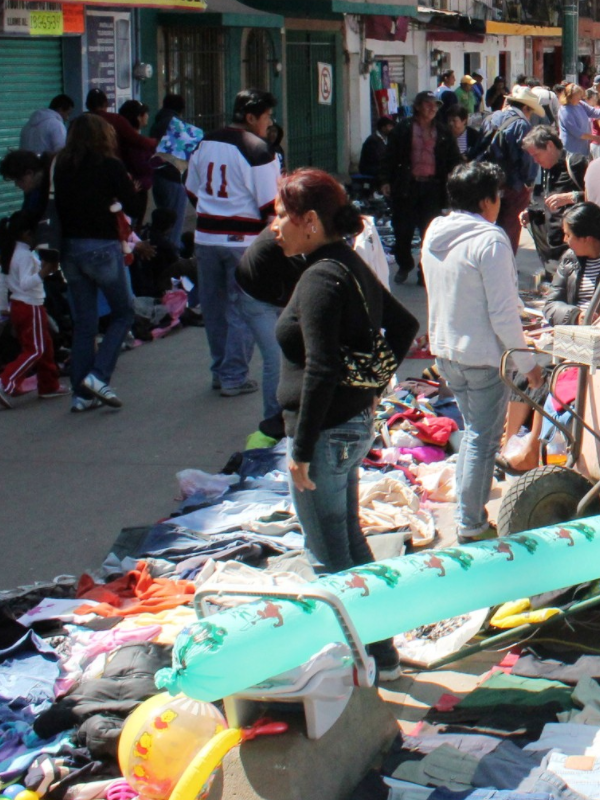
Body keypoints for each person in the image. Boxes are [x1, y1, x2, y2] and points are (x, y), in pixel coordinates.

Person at [273, 168, 416, 680]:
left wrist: (302, 447)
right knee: (349, 540)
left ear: (310, 222)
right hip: (350, 425)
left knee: (328, 555)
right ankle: (382, 653)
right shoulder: (347, 263)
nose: (275, 226)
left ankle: (358, 666)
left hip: (329, 432)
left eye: (282, 215)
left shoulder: (320, 276)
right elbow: (404, 326)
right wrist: (371, 383)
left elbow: (322, 365)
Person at [423, 161, 541, 541]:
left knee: (474, 434)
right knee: (481, 439)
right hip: (481, 358)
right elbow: (503, 314)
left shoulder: (435, 231)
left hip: (446, 351)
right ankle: (472, 524)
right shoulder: (489, 240)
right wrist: (528, 363)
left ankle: (466, 510)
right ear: (488, 200)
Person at [187, 89, 284, 412]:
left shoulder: (205, 143)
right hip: (243, 243)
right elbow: (270, 206)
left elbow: (192, 188)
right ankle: (232, 376)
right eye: (267, 117)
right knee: (242, 309)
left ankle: (221, 371)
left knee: (213, 308)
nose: (269, 124)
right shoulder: (259, 151)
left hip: (206, 239)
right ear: (251, 116)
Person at [53, 115, 136, 413]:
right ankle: (97, 376)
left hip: (69, 249)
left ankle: (81, 395)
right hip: (101, 246)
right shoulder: (110, 164)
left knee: (84, 324)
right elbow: (134, 204)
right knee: (124, 313)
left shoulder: (61, 165)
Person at [378, 91, 463, 284]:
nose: (432, 108)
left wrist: (458, 180)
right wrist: (385, 181)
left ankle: (424, 270)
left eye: (435, 105)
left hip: (433, 189)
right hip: (407, 187)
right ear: (417, 106)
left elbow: (454, 159)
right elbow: (388, 157)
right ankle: (404, 263)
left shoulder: (442, 131)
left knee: (430, 231)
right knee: (402, 230)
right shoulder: (403, 129)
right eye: (427, 104)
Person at [0, 212, 62, 407]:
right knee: (35, 350)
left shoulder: (10, 253)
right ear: (27, 234)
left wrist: (3, 306)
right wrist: (44, 271)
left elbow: (4, 282)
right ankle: (5, 381)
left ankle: (49, 385)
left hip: (20, 306)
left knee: (44, 347)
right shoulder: (25, 255)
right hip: (29, 306)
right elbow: (27, 283)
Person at [476, 84, 547, 249]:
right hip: (513, 184)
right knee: (510, 226)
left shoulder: (490, 118)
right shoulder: (522, 124)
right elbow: (527, 156)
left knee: (484, 222)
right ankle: (505, 260)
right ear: (525, 107)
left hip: (486, 180)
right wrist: (529, 181)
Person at [522, 125, 589, 264]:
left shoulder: (575, 163)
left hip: (574, 248)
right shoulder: (544, 170)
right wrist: (531, 213)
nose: (535, 160)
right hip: (551, 250)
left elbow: (596, 196)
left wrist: (572, 197)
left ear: (550, 145)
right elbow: (546, 201)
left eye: (537, 155)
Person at [147, 94, 191, 250]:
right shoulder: (176, 125)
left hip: (159, 176)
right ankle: (171, 259)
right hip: (173, 177)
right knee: (174, 223)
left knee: (164, 221)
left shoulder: (157, 122)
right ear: (181, 108)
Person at [558, 83, 600, 156]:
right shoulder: (565, 110)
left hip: (583, 147)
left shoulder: (580, 104)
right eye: (578, 95)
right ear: (570, 96)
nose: (580, 97)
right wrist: (596, 138)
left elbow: (594, 112)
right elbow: (577, 133)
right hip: (571, 149)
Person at [357, 116, 394, 181]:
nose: (392, 128)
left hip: (379, 167)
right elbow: (377, 159)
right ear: (383, 128)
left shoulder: (387, 138)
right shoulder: (373, 140)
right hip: (370, 168)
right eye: (390, 126)